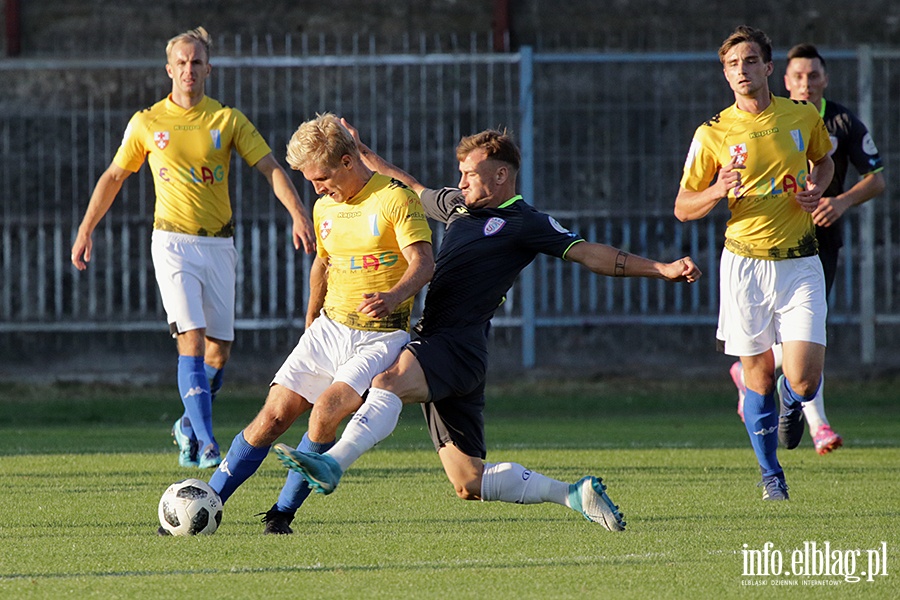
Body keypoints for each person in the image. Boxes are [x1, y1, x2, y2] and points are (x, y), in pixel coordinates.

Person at [273, 120, 701, 532]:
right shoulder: (459, 207)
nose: (460, 182)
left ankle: (334, 462)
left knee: (387, 380)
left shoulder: (525, 222)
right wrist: (362, 153)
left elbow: (589, 253)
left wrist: (660, 268)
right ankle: (574, 494)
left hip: (454, 345)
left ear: (500, 176)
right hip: (446, 349)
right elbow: (410, 186)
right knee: (468, 481)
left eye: (469, 174)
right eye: (459, 173)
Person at [70, 27, 316, 469]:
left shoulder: (227, 119)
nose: (188, 69)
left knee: (219, 350)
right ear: (169, 69)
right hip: (172, 241)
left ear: (208, 69)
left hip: (220, 244)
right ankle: (206, 443)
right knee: (193, 339)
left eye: (196, 62)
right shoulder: (147, 122)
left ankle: (187, 424)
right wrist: (86, 228)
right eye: (181, 62)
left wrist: (299, 212)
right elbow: (113, 177)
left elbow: (270, 167)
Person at [193, 113, 433, 535]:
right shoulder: (325, 207)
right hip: (328, 328)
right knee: (273, 416)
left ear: (347, 161)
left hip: (381, 335)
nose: (316, 189)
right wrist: (310, 323)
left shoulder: (395, 199)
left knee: (325, 411)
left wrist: (394, 295)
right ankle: (206, 503)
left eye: (321, 178)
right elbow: (322, 264)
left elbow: (424, 262)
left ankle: (281, 514)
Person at [674, 26, 835, 500]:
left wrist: (818, 186)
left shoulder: (802, 116)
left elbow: (823, 161)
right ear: (724, 74)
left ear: (768, 68)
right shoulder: (713, 133)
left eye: (749, 62)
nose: (741, 71)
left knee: (804, 379)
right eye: (732, 65)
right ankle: (772, 478)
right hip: (744, 265)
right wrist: (717, 190)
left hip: (801, 260)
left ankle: (794, 403)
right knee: (758, 376)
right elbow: (683, 206)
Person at [730, 43, 885, 456]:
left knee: (808, 343)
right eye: (798, 76)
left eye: (813, 75)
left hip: (818, 244)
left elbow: (877, 178)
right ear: (784, 79)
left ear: (825, 79)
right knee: (799, 346)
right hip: (763, 248)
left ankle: (756, 374)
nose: (806, 83)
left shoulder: (841, 120)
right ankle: (815, 423)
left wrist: (841, 200)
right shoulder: (766, 119)